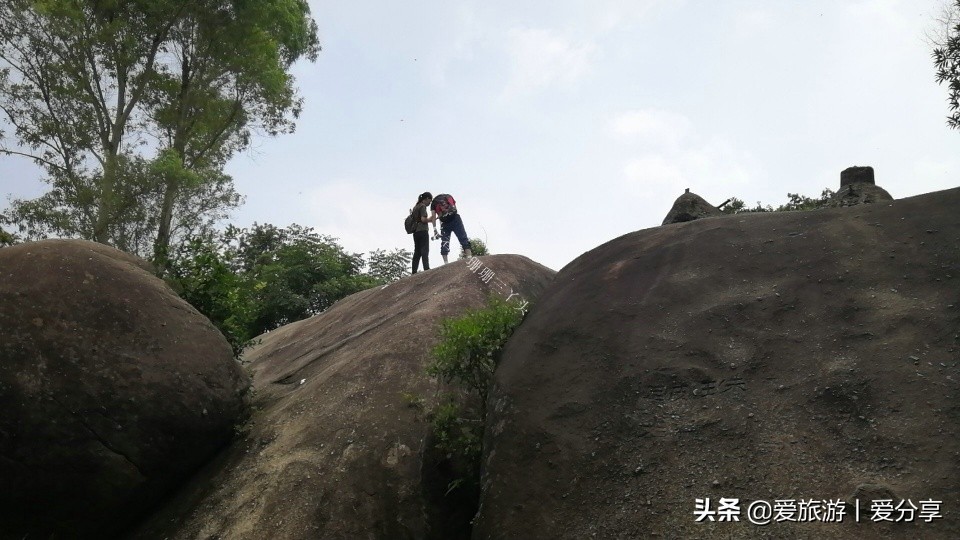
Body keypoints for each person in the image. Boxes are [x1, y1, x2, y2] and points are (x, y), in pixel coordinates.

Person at [429, 193, 471, 263]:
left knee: (445, 242)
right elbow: (455, 208)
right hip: (455, 219)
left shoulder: (433, 203)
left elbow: (433, 217)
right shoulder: (449, 196)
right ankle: (469, 257)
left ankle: (446, 263)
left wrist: (435, 229)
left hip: (444, 223)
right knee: (463, 237)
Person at [410, 192, 436, 273]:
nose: (429, 203)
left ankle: (414, 271)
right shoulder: (422, 206)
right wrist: (431, 219)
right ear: (427, 198)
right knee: (425, 249)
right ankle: (426, 268)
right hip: (422, 230)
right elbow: (423, 219)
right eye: (430, 201)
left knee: (417, 251)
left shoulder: (415, 207)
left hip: (415, 231)